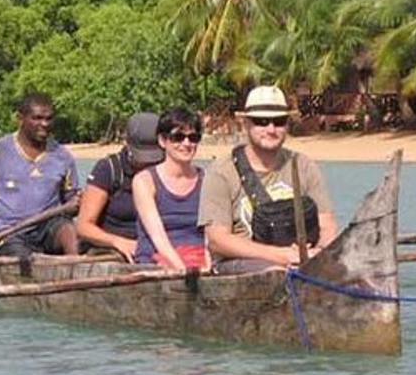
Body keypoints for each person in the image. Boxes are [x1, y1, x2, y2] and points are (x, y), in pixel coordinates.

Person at [198, 85, 338, 272]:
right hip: (240, 264)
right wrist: (284, 256)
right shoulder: (221, 173)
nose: (271, 129)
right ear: (246, 124)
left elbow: (327, 224)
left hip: (303, 261)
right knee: (274, 272)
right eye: (261, 121)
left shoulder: (303, 166)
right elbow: (218, 240)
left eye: (279, 121)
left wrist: (319, 252)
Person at [0, 92, 79, 258]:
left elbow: (71, 201)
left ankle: (75, 269)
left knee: (71, 233)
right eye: (37, 118)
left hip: (48, 228)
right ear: (20, 119)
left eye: (49, 119)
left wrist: (77, 203)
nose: (44, 124)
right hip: (7, 234)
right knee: (23, 258)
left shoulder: (62, 157)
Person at [75, 112, 165, 261]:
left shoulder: (167, 168)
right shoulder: (108, 169)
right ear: (127, 144)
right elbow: (84, 226)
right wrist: (118, 242)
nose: (147, 164)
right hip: (112, 248)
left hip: (155, 246)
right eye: (141, 158)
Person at [132, 106, 207, 271]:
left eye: (193, 137)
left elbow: (212, 234)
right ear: (162, 141)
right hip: (157, 261)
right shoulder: (144, 181)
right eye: (178, 137)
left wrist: (207, 268)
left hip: (199, 260)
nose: (186, 143)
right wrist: (184, 271)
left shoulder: (207, 180)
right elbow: (158, 237)